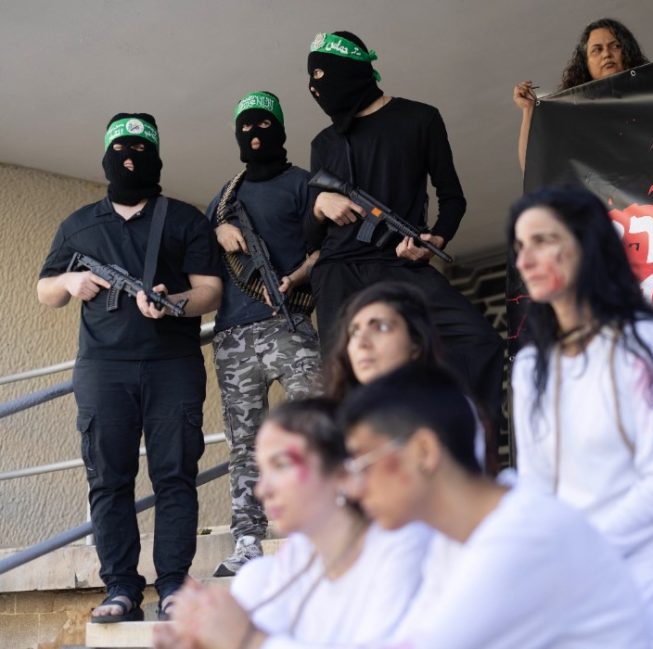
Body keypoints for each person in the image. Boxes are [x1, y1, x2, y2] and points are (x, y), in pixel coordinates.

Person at [166, 364, 652, 649]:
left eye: (363, 461)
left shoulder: (520, 537)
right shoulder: (454, 540)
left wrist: (248, 640)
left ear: (423, 452)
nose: (354, 483)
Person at [36, 113, 222, 622]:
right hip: (104, 368)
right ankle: (120, 588)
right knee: (108, 479)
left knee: (175, 475)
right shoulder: (79, 225)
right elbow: (45, 290)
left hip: (172, 365)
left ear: (156, 157)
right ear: (105, 157)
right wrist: (69, 283)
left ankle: (174, 584)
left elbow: (210, 290)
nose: (129, 159)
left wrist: (173, 302)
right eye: (120, 150)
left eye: (140, 150)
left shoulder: (183, 219)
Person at [508, 186, 653, 636]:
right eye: (519, 247)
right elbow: (536, 488)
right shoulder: (531, 366)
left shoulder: (644, 343)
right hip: (572, 574)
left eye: (542, 241)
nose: (525, 261)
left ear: (587, 244)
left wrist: (578, 551)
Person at [304, 29, 504, 435]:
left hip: (398, 261)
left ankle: (465, 442)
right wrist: (320, 206)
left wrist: (436, 239)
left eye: (322, 75)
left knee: (478, 340)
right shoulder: (324, 142)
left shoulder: (419, 118)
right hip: (339, 269)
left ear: (352, 70)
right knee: (344, 380)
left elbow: (452, 197)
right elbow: (310, 237)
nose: (314, 87)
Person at [153, 398, 429, 648]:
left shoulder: (404, 546)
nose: (262, 490)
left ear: (343, 472)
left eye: (281, 465)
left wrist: (247, 639)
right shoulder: (295, 555)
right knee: (253, 576)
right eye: (262, 470)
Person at [205, 91, 323, 577]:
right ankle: (248, 540)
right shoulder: (224, 199)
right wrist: (218, 232)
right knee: (245, 444)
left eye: (263, 125)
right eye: (246, 128)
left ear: (280, 129)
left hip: (289, 324)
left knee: (311, 429)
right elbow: (202, 264)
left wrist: (297, 277)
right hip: (233, 336)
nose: (254, 135)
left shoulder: (304, 184)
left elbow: (327, 248)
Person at [324, 281, 488, 468]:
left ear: (416, 345)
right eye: (354, 332)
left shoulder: (449, 405)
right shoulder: (333, 422)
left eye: (381, 327)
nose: (362, 342)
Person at [512, 18, 649, 171]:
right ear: (586, 63)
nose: (606, 54)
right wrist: (529, 110)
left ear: (627, 52)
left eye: (615, 46)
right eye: (597, 50)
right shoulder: (570, 114)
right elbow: (535, 171)